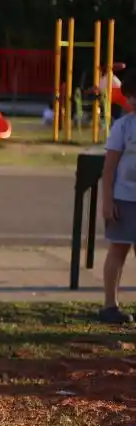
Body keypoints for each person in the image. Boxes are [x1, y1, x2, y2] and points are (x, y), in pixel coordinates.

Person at [99, 71, 136, 324]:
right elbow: (109, 168)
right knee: (118, 249)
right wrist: (108, 201)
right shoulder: (123, 126)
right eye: (130, 96)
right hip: (124, 198)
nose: (133, 100)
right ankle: (110, 305)